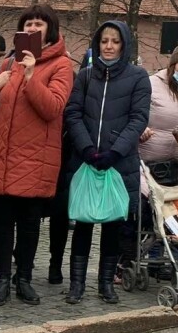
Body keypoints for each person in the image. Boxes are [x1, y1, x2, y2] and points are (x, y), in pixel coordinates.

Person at [0, 5, 75, 307]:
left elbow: (52, 108)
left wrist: (33, 75)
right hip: (4, 154)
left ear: (51, 29)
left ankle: (24, 279)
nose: (33, 28)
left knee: (29, 223)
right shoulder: (10, 62)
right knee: (1, 222)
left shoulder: (61, 65)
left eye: (39, 24)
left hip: (36, 157)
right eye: (29, 24)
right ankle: (3, 281)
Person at [60, 19, 151, 304]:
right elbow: (73, 113)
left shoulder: (138, 77)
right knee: (84, 223)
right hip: (87, 159)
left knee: (113, 226)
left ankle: (106, 284)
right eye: (104, 41)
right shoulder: (86, 76)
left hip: (118, 163)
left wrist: (116, 151)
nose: (109, 46)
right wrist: (86, 148)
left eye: (115, 41)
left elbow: (138, 119)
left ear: (124, 45)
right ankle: (76, 284)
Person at [138, 36, 178, 262]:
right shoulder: (151, 84)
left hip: (176, 171)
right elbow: (137, 116)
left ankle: (176, 261)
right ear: (173, 64)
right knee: (153, 213)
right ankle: (150, 258)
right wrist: (141, 131)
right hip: (147, 167)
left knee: (177, 216)